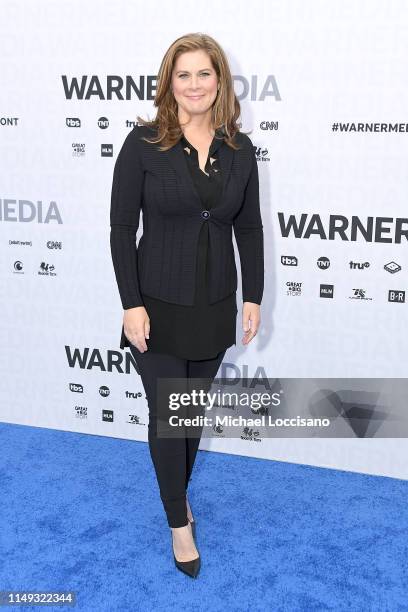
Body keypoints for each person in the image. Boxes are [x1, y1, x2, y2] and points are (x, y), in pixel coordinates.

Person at [110, 32, 264, 578]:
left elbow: (248, 226)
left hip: (214, 304)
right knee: (165, 417)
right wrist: (131, 304)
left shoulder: (240, 150)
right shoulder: (144, 143)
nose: (194, 84)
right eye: (184, 74)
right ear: (168, 83)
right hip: (155, 305)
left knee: (189, 417)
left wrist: (253, 296)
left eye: (204, 73)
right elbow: (122, 226)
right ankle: (179, 522)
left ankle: (178, 497)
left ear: (219, 80)